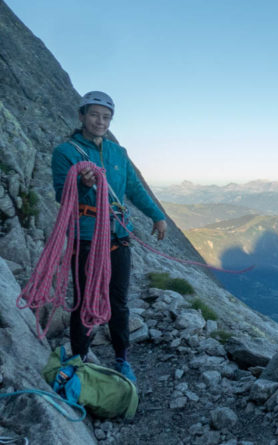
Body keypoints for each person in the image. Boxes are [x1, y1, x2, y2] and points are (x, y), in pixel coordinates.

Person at [51, 91, 167, 383]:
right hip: (87, 236)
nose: (100, 121)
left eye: (106, 117)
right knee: (84, 300)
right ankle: (79, 358)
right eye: (94, 115)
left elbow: (134, 189)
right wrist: (81, 182)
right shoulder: (66, 152)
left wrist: (157, 215)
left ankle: (122, 356)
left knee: (118, 301)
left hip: (117, 236)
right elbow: (60, 194)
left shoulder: (118, 153)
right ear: (81, 116)